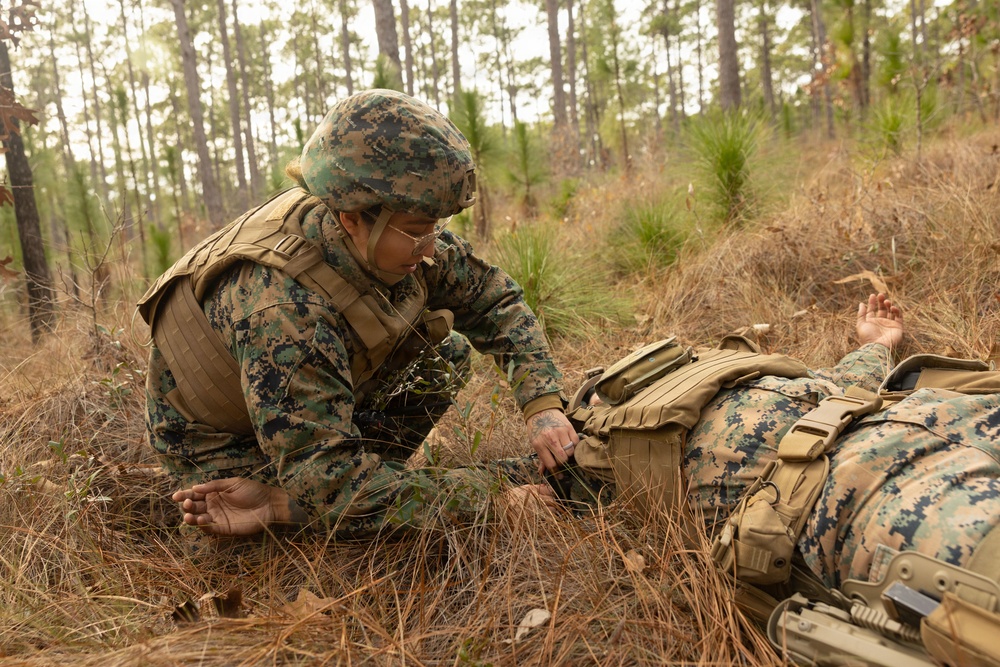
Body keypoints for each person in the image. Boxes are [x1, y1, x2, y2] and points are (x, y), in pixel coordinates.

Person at [173, 292, 999, 593]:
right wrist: (284, 503)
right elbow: (474, 485)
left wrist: (876, 342)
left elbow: (844, 383)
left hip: (919, 423)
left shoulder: (774, 373)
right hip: (857, 495)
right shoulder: (588, 456)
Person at [140, 90, 581, 538]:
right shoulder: (285, 311)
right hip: (222, 448)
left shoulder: (391, 232)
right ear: (352, 217)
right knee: (284, 540)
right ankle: (288, 502)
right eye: (415, 231)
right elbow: (333, 485)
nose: (431, 247)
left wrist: (542, 407)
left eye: (437, 227)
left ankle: (364, 489)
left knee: (442, 360)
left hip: (307, 407)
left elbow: (494, 301)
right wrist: (489, 494)